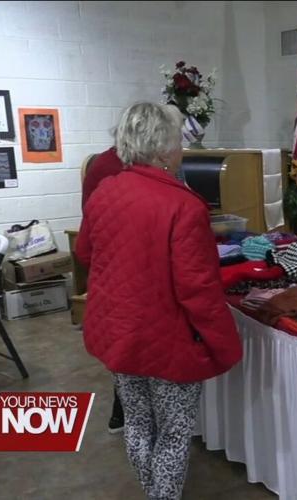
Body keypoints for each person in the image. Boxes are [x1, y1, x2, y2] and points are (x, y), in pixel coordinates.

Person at [76, 102, 242, 499]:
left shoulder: (105, 191)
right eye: (178, 141)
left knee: (136, 420)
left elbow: (85, 252)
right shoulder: (183, 205)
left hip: (118, 331)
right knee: (173, 431)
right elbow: (198, 289)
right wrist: (226, 343)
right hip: (167, 338)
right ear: (165, 148)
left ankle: (153, 492)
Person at [80, 144, 127, 434]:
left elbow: (84, 249)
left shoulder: (104, 165)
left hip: (110, 273)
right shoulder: (115, 170)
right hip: (124, 274)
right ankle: (123, 415)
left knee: (123, 349)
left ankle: (121, 415)